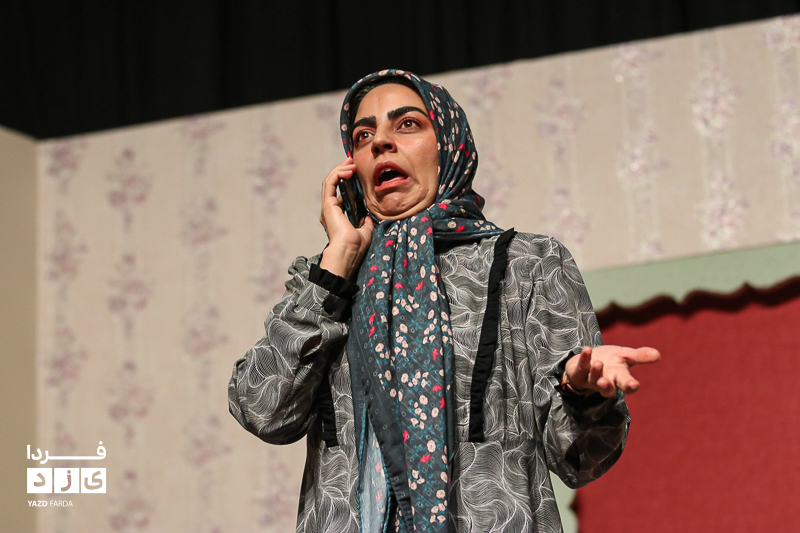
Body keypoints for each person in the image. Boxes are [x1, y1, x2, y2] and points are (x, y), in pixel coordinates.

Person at [228, 69, 660, 533]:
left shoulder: (526, 264)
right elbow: (262, 410)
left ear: (449, 147)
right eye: (363, 135)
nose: (380, 143)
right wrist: (335, 268)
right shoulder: (328, 278)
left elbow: (580, 458)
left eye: (407, 124)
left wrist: (581, 392)